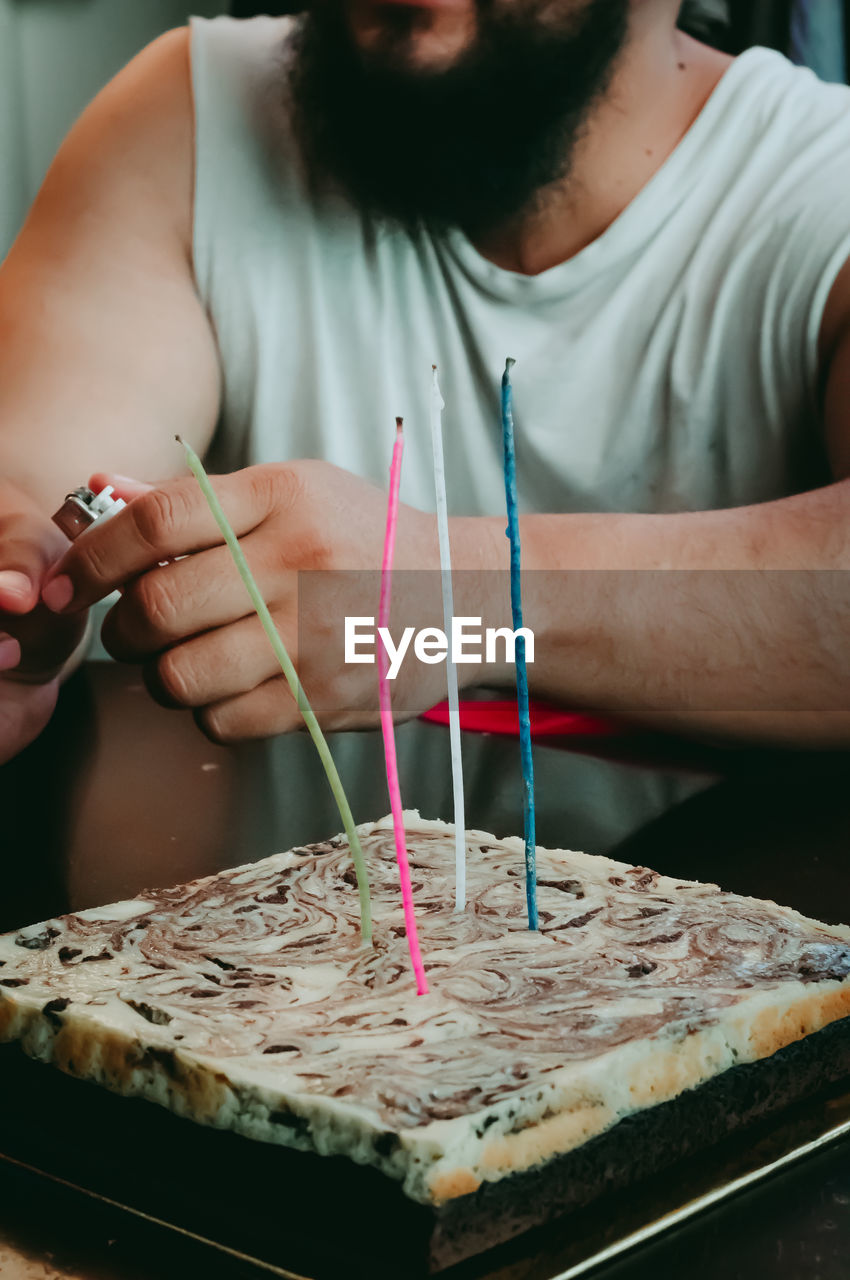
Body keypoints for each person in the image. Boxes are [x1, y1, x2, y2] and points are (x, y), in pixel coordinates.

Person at [1, 0, 850, 766]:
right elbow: (37, 490)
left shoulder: (823, 185)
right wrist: (24, 602)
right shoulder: (186, 115)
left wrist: (462, 596)